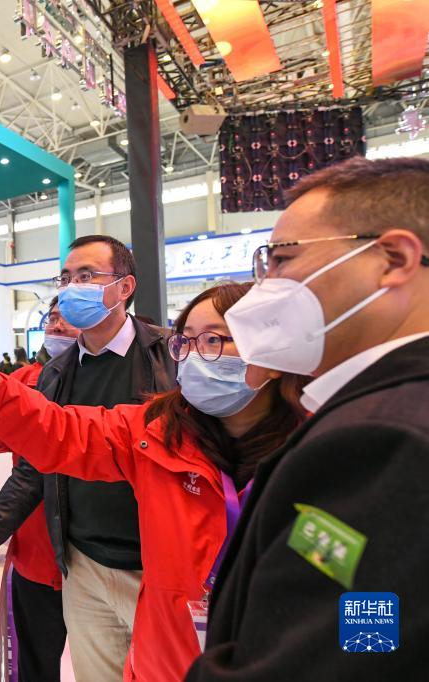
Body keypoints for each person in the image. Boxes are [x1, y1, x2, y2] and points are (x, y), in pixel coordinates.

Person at [0, 282, 308, 681]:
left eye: (213, 340)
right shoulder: (158, 430)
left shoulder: (326, 457)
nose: (194, 357)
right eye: (186, 342)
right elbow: (67, 433)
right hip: (163, 663)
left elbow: (354, 603)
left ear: (273, 353)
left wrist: (352, 653)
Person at [185, 157, 429, 679]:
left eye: (282, 259)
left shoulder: (385, 440)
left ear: (393, 259)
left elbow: (345, 650)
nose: (266, 287)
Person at [0, 235, 177, 681]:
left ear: (125, 287)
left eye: (86, 276)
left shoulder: (171, 357)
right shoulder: (55, 373)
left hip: (157, 568)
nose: (71, 288)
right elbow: (37, 464)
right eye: (65, 278)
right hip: (83, 565)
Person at [0, 297, 79, 682]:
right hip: (35, 549)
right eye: (52, 318)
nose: (57, 326)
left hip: (96, 558)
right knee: (35, 665)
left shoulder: (118, 384)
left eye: (69, 318)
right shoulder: (24, 381)